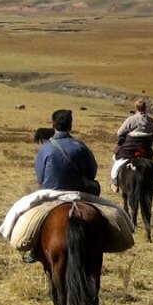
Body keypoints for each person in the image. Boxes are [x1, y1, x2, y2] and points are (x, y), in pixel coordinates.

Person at [25, 109, 99, 263]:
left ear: (53, 125)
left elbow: (40, 176)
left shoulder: (45, 148)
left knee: (28, 217)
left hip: (51, 194)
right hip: (80, 194)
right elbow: (92, 172)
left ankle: (36, 249)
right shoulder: (81, 146)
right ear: (70, 125)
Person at [110, 98, 153, 193]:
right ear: (145, 108)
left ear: (135, 108)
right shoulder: (150, 120)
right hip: (145, 149)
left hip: (130, 148)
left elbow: (120, 132)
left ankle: (114, 183)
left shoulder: (131, 119)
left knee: (117, 160)